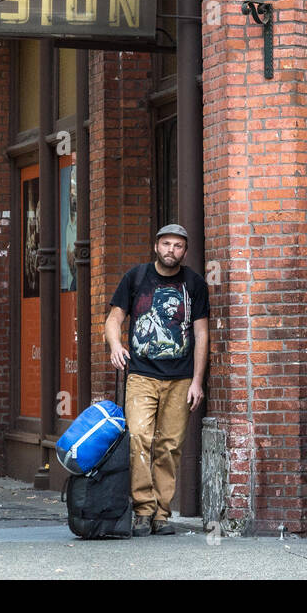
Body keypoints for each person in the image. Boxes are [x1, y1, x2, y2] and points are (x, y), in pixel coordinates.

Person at [106, 224, 210, 536]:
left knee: (169, 445)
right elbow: (114, 318)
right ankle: (142, 509)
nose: (171, 251)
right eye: (166, 244)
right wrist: (115, 345)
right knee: (138, 437)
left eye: (178, 246)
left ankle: (161, 514)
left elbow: (202, 334)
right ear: (156, 246)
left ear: (185, 251)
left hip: (181, 378)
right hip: (140, 375)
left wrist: (197, 381)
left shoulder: (194, 284)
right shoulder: (136, 277)